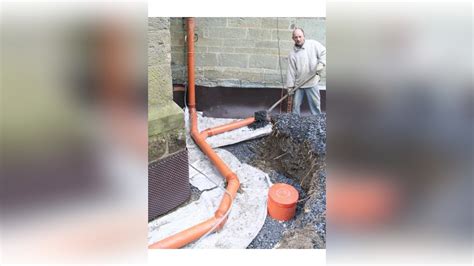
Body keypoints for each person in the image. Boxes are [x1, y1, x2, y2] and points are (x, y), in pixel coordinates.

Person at [286, 27, 326, 115]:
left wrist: (321, 63)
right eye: (296, 37)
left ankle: (317, 123)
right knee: (295, 107)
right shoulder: (292, 54)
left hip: (312, 82)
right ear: (293, 38)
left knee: (315, 106)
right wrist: (290, 86)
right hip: (299, 85)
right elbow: (291, 71)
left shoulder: (313, 44)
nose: (298, 39)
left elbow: (324, 52)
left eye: (300, 36)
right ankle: (295, 124)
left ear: (304, 36)